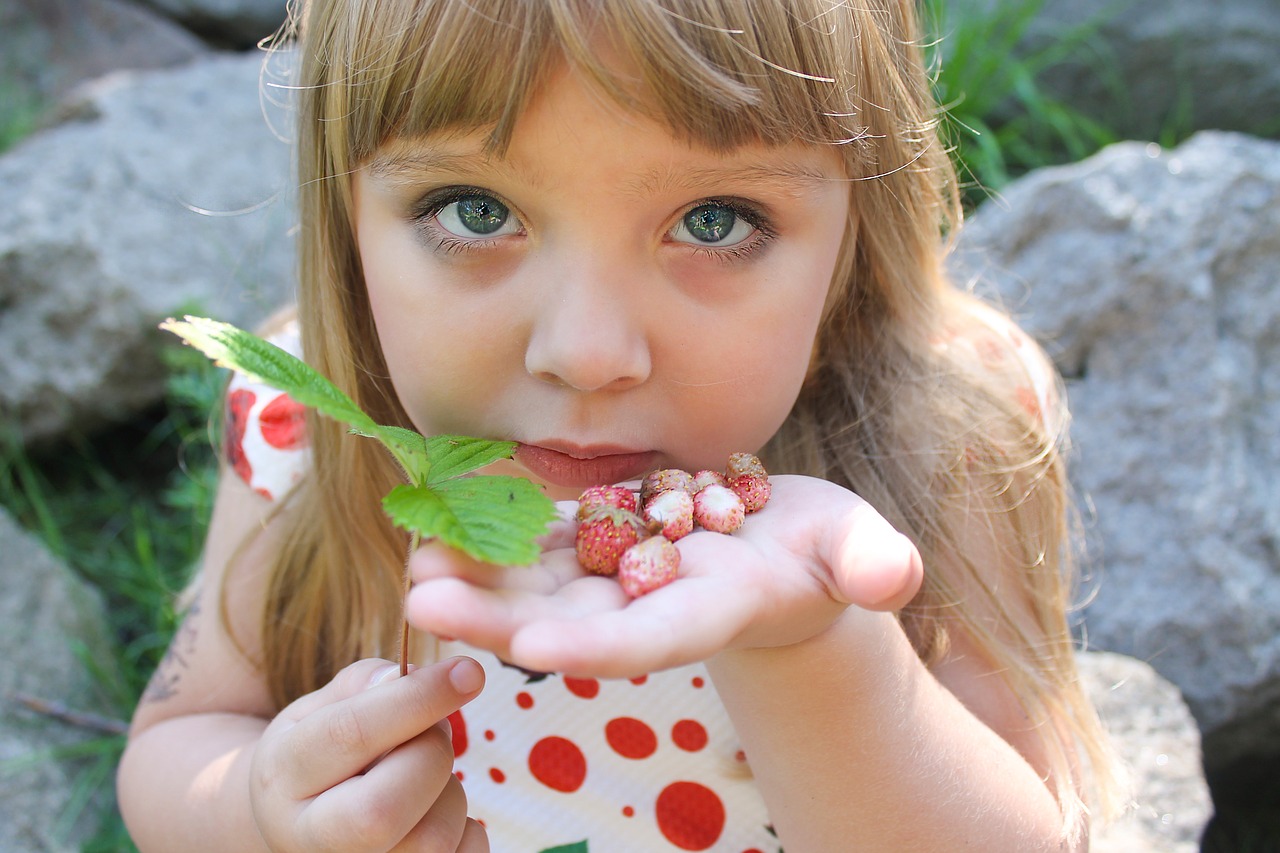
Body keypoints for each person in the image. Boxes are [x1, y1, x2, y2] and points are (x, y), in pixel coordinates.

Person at [117, 0, 1123, 850]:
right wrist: (260, 812)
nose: (587, 350)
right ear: (347, 220)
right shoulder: (309, 428)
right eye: (471, 210)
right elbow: (181, 735)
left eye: (714, 219)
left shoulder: (940, 431)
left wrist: (813, 650)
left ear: (857, 225)